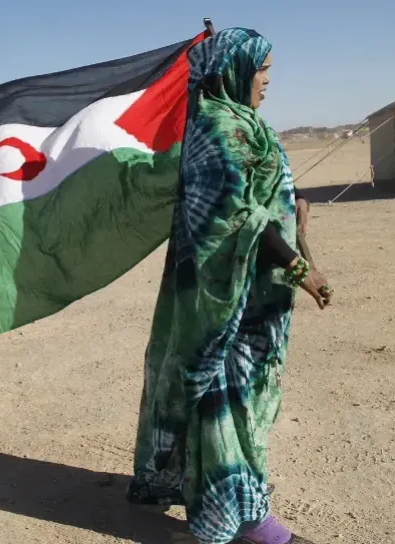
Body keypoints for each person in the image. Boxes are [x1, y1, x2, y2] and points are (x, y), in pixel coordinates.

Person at [127, 27, 332, 544]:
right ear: (234, 71)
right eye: (262, 70)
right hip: (223, 298)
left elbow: (261, 187)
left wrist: (291, 201)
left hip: (254, 293)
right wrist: (301, 269)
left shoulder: (243, 121)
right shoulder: (218, 127)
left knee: (245, 400)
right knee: (228, 403)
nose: (267, 80)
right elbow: (234, 215)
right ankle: (239, 518)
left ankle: (230, 498)